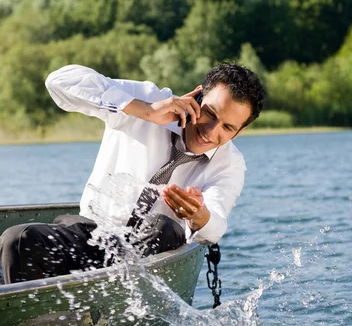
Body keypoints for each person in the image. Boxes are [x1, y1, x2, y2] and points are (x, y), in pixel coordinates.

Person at [0, 63, 265, 284]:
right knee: (17, 240)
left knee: (164, 227)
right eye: (209, 114)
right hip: (94, 235)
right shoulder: (148, 98)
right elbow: (58, 81)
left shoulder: (230, 164)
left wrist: (199, 215)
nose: (211, 131)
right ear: (196, 96)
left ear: (239, 132)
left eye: (228, 127)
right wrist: (144, 110)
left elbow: (215, 225)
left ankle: (113, 313)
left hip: (153, 253)